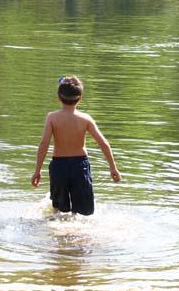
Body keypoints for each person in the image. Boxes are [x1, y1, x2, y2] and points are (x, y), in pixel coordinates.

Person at [31, 76, 121, 216]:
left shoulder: (52, 117)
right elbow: (103, 143)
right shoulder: (85, 119)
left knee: (58, 210)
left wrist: (37, 171)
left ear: (58, 98)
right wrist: (113, 168)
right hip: (80, 166)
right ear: (80, 99)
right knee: (83, 212)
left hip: (59, 167)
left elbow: (44, 144)